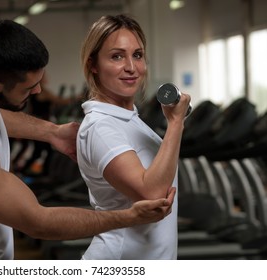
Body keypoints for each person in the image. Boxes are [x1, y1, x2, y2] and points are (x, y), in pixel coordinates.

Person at [0, 18, 176, 260]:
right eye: (29, 87)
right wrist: (128, 217)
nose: (38, 91)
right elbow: (39, 222)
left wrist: (52, 132)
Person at [77, 14, 191, 259]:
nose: (131, 67)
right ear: (93, 65)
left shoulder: (128, 120)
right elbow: (152, 194)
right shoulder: (102, 127)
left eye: (137, 55)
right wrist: (175, 123)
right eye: (117, 56)